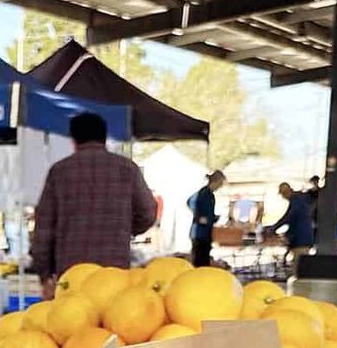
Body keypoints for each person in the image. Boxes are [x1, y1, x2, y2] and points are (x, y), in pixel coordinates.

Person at [31, 112, 158, 298]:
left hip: (71, 274)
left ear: (73, 140)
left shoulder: (59, 172)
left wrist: (44, 275)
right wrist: (125, 229)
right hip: (115, 272)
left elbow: (44, 229)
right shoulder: (127, 169)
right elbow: (148, 212)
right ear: (105, 137)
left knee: (74, 324)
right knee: (113, 323)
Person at [269, 181, 315, 274]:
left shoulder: (297, 201)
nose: (283, 197)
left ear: (286, 192)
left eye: (283, 194)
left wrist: (274, 227)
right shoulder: (299, 199)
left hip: (301, 239)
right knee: (299, 263)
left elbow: (289, 217)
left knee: (299, 266)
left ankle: (298, 284)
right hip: (302, 238)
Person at [188, 170, 226, 268]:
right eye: (220, 184)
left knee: (204, 258)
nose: (220, 187)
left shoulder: (210, 195)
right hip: (199, 232)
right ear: (216, 182)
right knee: (200, 261)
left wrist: (213, 218)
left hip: (207, 231)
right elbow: (190, 201)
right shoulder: (203, 193)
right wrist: (198, 216)